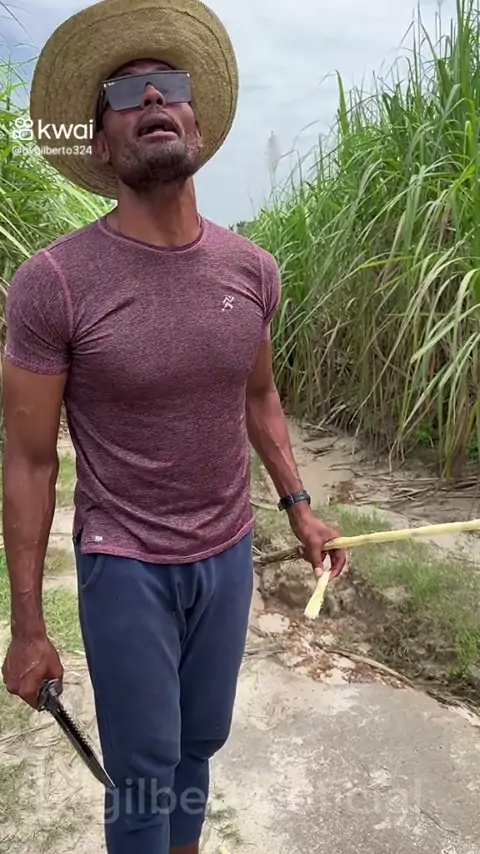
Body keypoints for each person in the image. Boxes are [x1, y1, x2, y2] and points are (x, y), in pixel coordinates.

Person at [1, 1, 346, 852]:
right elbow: (31, 460)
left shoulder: (252, 269)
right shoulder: (56, 284)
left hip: (227, 552)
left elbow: (259, 398)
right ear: (101, 144)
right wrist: (29, 627)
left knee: (199, 747)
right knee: (145, 771)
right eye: (124, 92)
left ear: (196, 120)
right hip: (126, 562)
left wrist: (300, 507)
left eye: (169, 83)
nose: (152, 96)